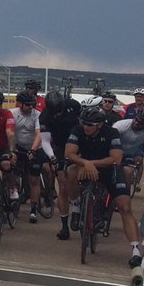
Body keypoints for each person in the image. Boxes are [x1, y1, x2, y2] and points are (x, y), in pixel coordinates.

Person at [64, 106, 143, 268]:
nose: (86, 127)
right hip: (83, 167)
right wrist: (85, 163)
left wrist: (91, 163)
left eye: (90, 124)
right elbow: (69, 153)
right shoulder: (77, 130)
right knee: (70, 171)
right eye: (84, 123)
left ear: (99, 125)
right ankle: (77, 204)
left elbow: (116, 158)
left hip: (109, 169)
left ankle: (135, 250)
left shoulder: (111, 133)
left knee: (125, 208)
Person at [39, 85, 83, 241]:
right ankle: (64, 226)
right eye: (54, 112)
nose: (57, 114)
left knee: (74, 177)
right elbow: (44, 141)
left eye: (59, 111)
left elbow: (85, 125)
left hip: (79, 143)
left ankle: (77, 203)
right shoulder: (44, 116)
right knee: (63, 186)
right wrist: (52, 158)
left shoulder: (73, 106)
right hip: (59, 146)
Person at [10, 88, 45, 223]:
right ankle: (12, 196)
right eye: (28, 105)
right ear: (20, 104)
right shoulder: (12, 114)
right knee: (12, 172)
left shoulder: (37, 115)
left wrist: (33, 150)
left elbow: (38, 134)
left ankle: (33, 209)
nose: (31, 107)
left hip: (34, 147)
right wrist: (11, 150)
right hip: (18, 147)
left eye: (32, 105)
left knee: (34, 180)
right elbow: (10, 133)